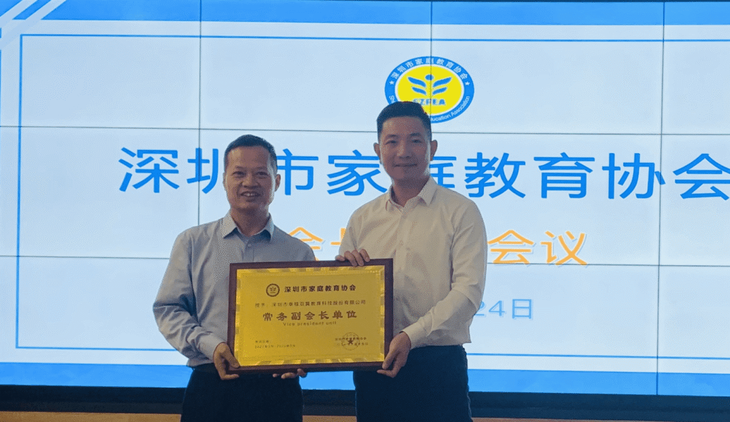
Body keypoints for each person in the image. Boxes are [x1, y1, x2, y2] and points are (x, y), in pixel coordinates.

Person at [337, 101, 487, 422]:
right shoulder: (362, 218)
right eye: (392, 141)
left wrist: (410, 336)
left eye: (415, 140)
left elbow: (468, 293)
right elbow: (345, 296)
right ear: (378, 150)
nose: (403, 151)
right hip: (374, 366)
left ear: (432, 148)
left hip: (437, 366)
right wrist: (344, 277)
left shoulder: (461, 211)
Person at [153, 134, 313, 422]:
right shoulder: (193, 242)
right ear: (224, 180)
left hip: (277, 391)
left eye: (261, 174)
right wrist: (210, 345)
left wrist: (305, 354)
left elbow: (310, 322)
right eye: (239, 174)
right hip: (211, 386)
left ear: (277, 182)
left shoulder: (299, 252)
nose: (249, 183)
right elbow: (168, 309)